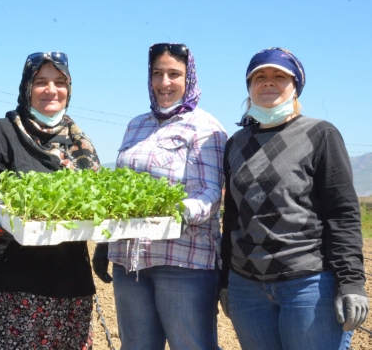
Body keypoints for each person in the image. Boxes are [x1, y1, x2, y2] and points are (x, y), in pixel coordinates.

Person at [219, 47, 369, 350]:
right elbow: (232, 218)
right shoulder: (236, 144)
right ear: (249, 87)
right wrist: (225, 281)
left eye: (279, 76)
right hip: (247, 288)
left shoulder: (319, 134)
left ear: (295, 85)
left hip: (308, 284)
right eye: (259, 77)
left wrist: (351, 281)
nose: (268, 82)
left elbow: (342, 213)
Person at [91, 43, 227, 350]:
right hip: (129, 260)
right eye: (157, 73)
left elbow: (210, 193)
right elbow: (121, 189)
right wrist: (104, 242)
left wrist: (173, 215)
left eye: (174, 74)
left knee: (191, 345)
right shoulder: (137, 124)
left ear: (188, 78)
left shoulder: (206, 127)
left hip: (183, 261)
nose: (164, 82)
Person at [0, 52, 100, 349]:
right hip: (13, 286)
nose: (51, 90)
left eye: (59, 82)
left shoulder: (79, 143)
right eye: (41, 81)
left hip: (72, 284)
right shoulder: (0, 134)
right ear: (27, 87)